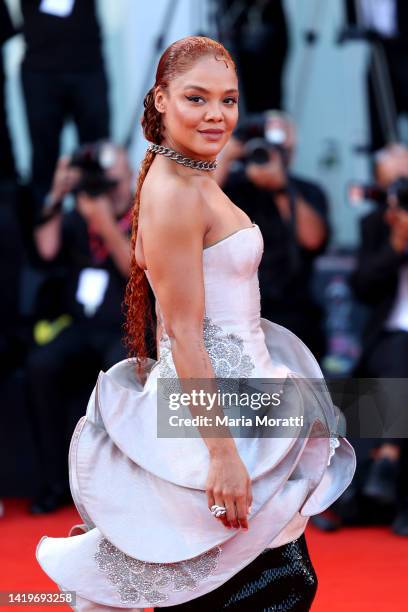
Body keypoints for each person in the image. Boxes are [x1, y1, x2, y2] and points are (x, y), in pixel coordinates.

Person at [35, 36, 356, 611]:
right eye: (196, 98)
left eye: (228, 100)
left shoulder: (188, 173)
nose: (216, 114)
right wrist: (223, 454)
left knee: (259, 581)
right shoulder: (177, 191)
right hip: (217, 415)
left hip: (246, 398)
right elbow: (183, 333)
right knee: (262, 586)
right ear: (160, 99)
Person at [27, 143, 133, 515]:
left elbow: (139, 273)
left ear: (131, 177)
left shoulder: (144, 214)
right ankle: (55, 483)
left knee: (119, 371)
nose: (107, 189)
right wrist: (58, 191)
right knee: (41, 364)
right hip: (80, 325)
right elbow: (46, 249)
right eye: (100, 182)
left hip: (126, 328)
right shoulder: (77, 216)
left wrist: (105, 223)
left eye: (114, 181)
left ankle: (121, 490)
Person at [214, 111, 330, 362]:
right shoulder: (230, 186)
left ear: (291, 151)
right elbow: (193, 212)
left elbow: (312, 240)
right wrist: (226, 156)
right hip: (232, 314)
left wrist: (281, 189)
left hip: (292, 313)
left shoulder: (307, 191)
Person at [349, 143, 408, 536]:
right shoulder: (378, 225)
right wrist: (396, 246)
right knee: (400, 351)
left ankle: (389, 453)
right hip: (392, 337)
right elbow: (362, 288)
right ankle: (387, 455)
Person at [19, 0, 110, 218]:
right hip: (40, 65)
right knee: (44, 163)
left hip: (86, 62)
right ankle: (45, 243)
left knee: (96, 160)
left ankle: (100, 238)